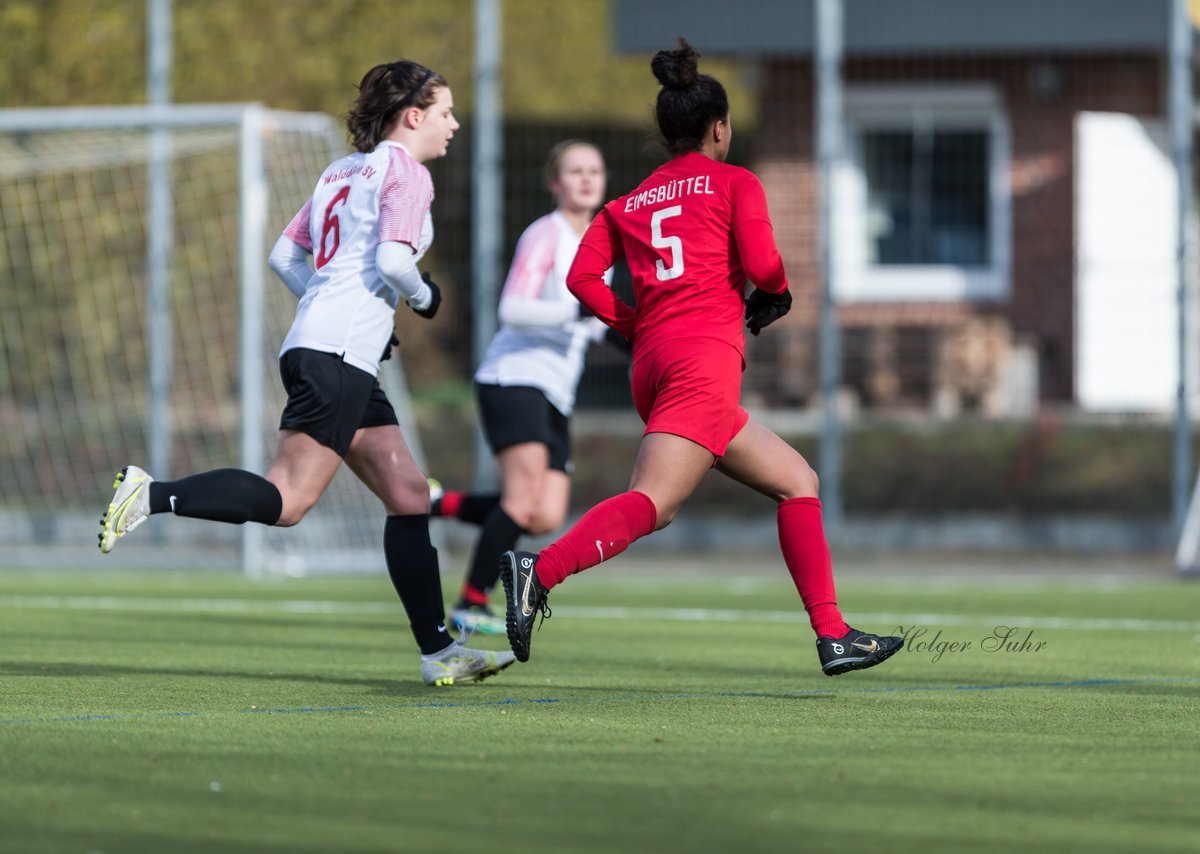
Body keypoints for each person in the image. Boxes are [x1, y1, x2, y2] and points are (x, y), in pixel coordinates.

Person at [97, 59, 515, 687]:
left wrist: (336, 308)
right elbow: (395, 258)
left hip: (326, 346)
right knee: (289, 500)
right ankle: (150, 494)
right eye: (446, 112)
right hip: (337, 354)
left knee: (406, 495)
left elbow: (285, 254)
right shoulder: (407, 171)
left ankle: (439, 652)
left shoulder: (341, 170)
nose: (453, 124)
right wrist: (423, 298)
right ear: (413, 116)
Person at [499, 40, 903, 676]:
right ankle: (538, 569)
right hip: (702, 363)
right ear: (720, 127)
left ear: (667, 133)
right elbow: (766, 265)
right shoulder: (735, 182)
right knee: (653, 504)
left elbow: (583, 278)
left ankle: (834, 635)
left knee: (798, 481)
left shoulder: (627, 202)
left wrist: (631, 320)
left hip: (654, 365)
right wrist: (773, 291)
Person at [432, 140, 625, 637]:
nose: (586, 179)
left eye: (594, 171)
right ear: (554, 183)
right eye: (574, 171)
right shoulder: (546, 235)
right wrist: (578, 309)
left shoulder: (601, 248)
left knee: (543, 515)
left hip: (555, 392)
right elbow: (512, 309)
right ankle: (470, 602)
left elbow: (595, 326)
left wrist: (639, 339)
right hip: (515, 378)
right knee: (519, 502)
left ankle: (433, 504)